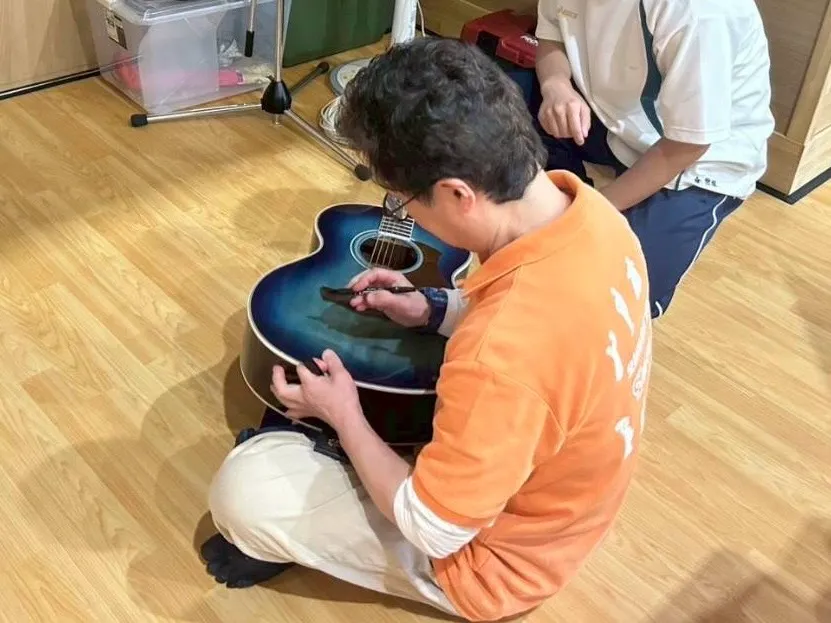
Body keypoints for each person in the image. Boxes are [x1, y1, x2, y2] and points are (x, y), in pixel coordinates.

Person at [202, 37, 653, 622]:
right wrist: (433, 308)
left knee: (244, 491)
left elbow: (432, 527)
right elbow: (552, 337)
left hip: (497, 562)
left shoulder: (502, 357)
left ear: (457, 194)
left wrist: (344, 414)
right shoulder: (593, 214)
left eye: (403, 201)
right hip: (566, 502)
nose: (403, 213)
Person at [517, 0, 775, 318]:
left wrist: (591, 209)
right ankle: (562, 206)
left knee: (618, 297)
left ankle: (580, 217)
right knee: (509, 103)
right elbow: (552, 32)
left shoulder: (698, 12)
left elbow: (689, 144)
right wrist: (556, 86)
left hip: (700, 159)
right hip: (618, 119)